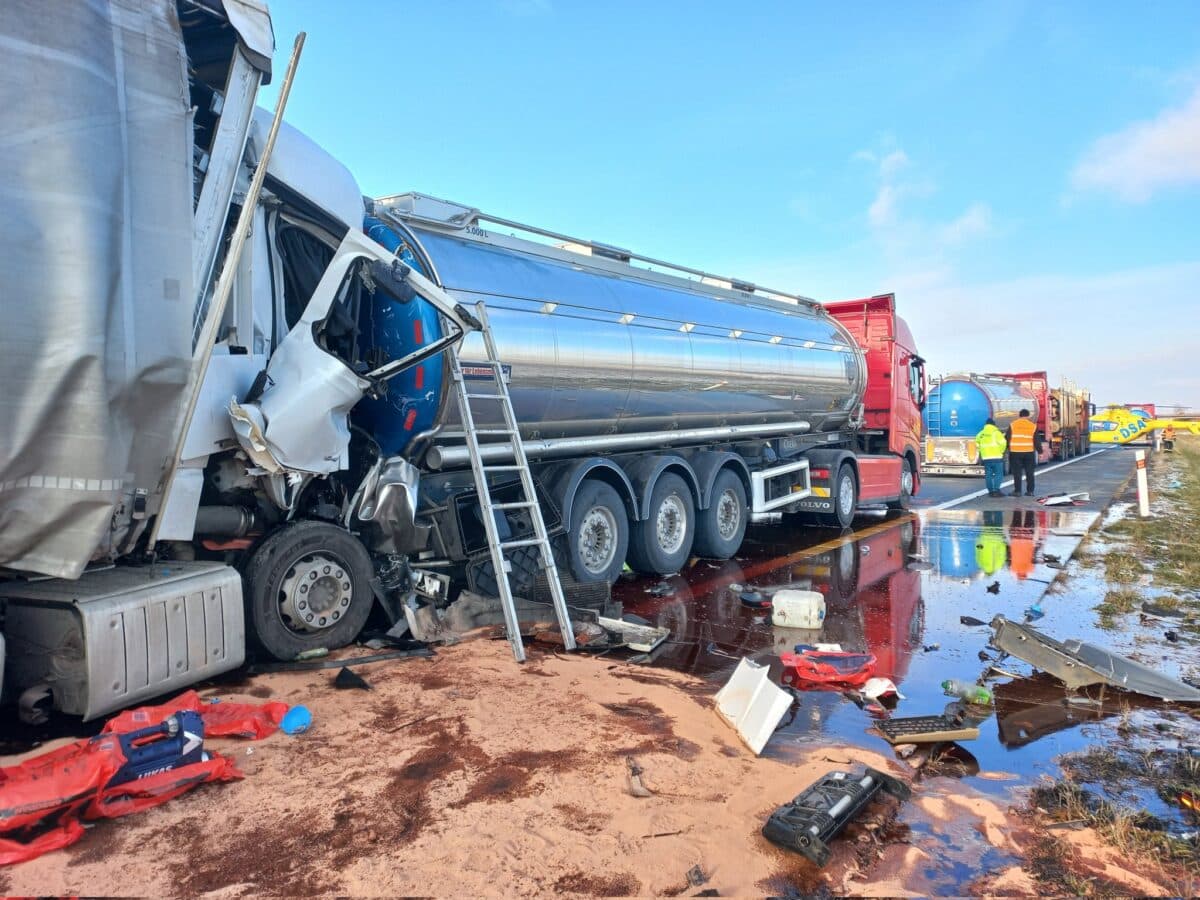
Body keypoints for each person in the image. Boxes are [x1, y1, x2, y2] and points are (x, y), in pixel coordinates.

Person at [1005, 409, 1042, 497]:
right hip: (1029, 452)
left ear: (1019, 415)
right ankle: (1030, 491)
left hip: (1015, 452)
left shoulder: (1013, 425)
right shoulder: (1032, 426)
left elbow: (1007, 438)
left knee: (1017, 473)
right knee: (1030, 472)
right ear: (1028, 416)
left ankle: (1017, 491)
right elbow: (1036, 441)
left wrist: (1006, 450)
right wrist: (1040, 452)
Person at [975, 417, 1007, 497]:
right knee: (998, 474)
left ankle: (991, 491)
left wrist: (982, 451)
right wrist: (1001, 451)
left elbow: (977, 444)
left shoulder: (981, 434)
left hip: (986, 458)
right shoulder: (996, 433)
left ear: (986, 425)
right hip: (996, 457)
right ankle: (996, 490)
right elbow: (1003, 443)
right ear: (993, 425)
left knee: (988, 475)